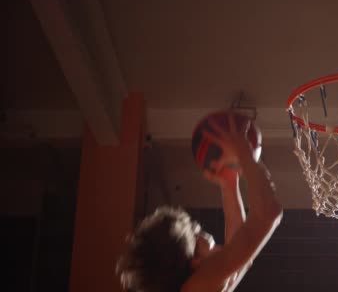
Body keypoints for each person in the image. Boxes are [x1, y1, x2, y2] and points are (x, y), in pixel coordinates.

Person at [116, 113, 283, 292]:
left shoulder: (201, 286)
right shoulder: (198, 287)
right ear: (195, 261)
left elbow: (241, 251)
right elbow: (267, 213)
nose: (199, 228)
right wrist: (244, 151)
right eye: (198, 232)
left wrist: (229, 182)